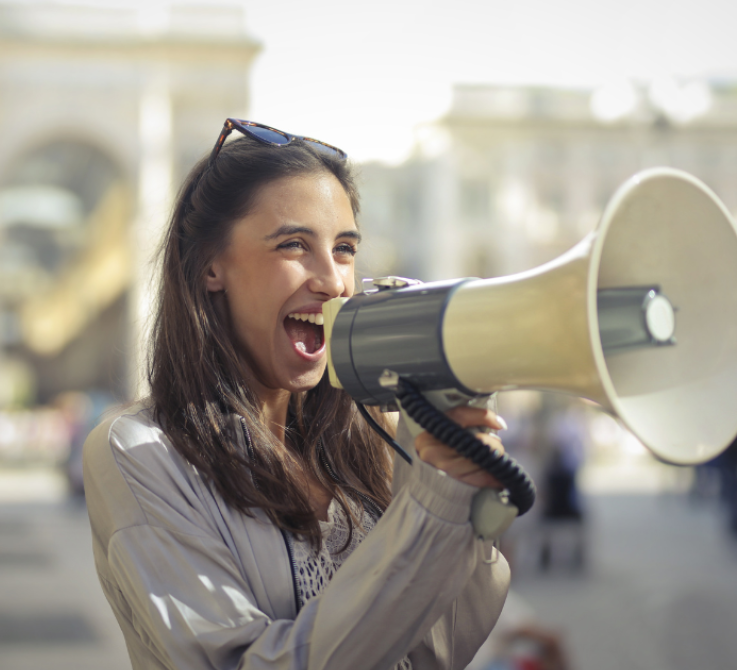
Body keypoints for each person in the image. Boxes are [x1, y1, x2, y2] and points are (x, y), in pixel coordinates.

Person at [83, 120, 511, 670]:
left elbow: (434, 653)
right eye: (294, 245)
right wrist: (427, 516)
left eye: (345, 249)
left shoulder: (372, 439)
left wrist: (458, 503)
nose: (333, 281)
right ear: (211, 266)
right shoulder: (139, 452)